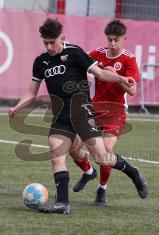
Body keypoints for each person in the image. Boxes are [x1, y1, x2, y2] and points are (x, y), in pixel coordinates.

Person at [8, 18, 148, 214]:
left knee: (102, 158)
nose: (49, 47)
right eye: (45, 43)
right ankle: (63, 204)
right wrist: (17, 107)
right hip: (61, 117)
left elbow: (100, 74)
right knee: (57, 157)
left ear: (62, 38)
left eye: (52, 42)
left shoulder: (74, 52)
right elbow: (32, 91)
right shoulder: (41, 61)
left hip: (82, 113)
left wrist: (121, 78)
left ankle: (133, 172)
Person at [70, 20, 142, 206]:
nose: (112, 44)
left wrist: (113, 76)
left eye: (116, 40)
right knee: (74, 148)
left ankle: (102, 189)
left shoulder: (129, 59)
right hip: (93, 109)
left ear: (124, 39)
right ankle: (88, 172)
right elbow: (79, 64)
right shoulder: (96, 54)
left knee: (106, 152)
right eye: (109, 40)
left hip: (116, 111)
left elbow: (132, 91)